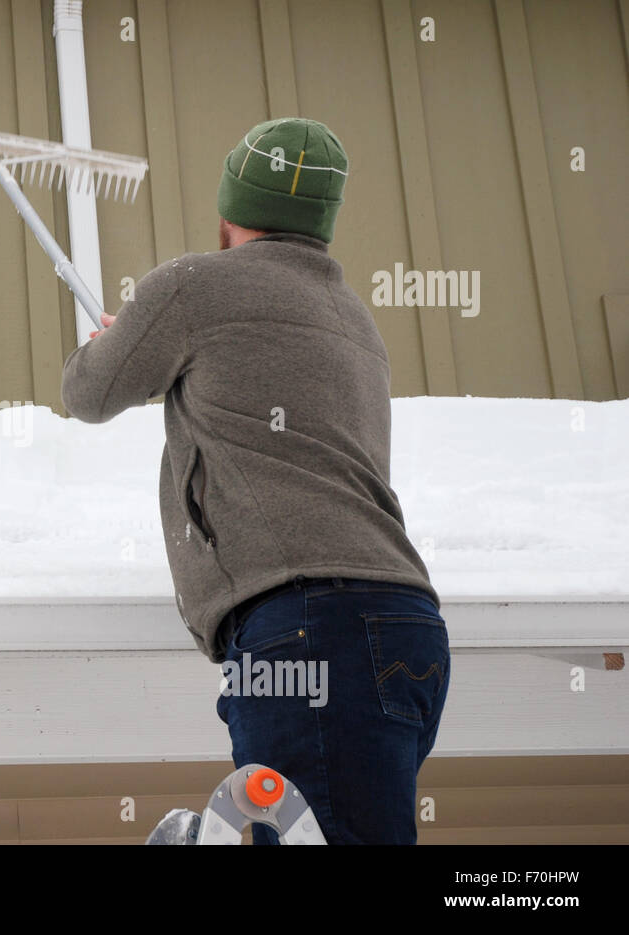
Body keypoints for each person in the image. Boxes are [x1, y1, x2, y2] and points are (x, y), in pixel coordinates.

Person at [61, 118, 449, 844]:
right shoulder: (355, 321)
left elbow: (89, 390)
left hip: (308, 632)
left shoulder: (191, 286)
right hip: (408, 632)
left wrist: (120, 343)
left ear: (229, 206)